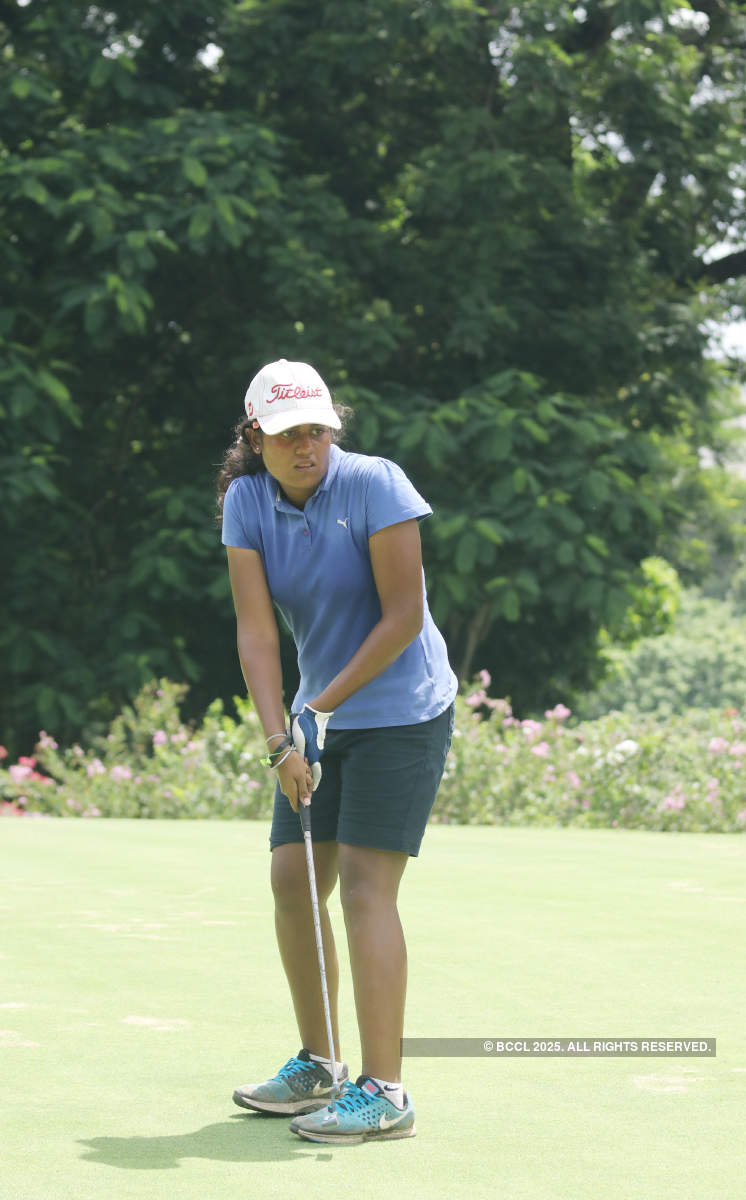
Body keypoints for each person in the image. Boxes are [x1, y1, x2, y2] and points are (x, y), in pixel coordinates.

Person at [217, 358, 457, 1145]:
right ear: (257, 437)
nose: (306, 445)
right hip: (320, 718)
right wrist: (278, 736)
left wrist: (317, 706)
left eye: (317, 429)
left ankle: (384, 1090)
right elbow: (256, 633)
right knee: (292, 879)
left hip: (400, 711)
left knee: (362, 888)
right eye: (287, 433)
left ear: (333, 428)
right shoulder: (246, 502)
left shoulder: (376, 484)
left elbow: (402, 616)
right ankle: (321, 1064)